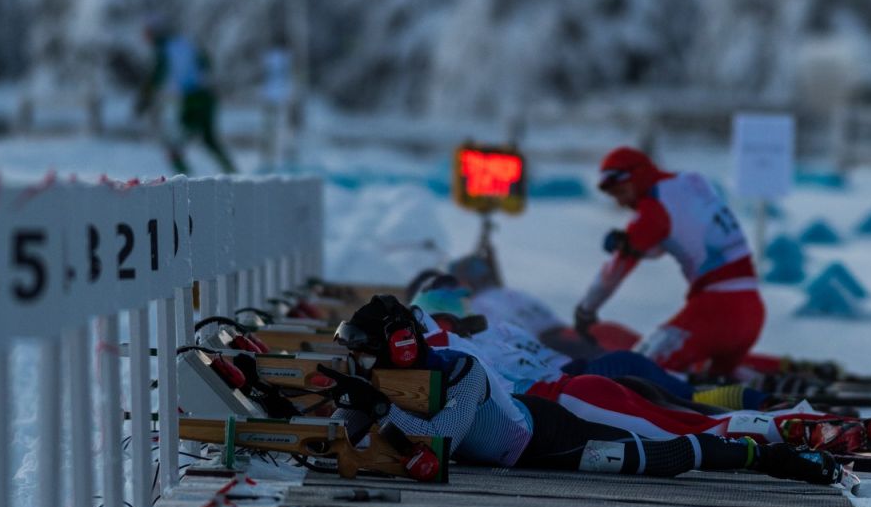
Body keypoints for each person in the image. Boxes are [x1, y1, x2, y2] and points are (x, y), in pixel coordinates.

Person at [333, 295, 840, 484]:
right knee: (681, 409)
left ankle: (767, 457)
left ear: (401, 346)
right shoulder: (420, 365)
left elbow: (434, 451)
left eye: (366, 350)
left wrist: (378, 410)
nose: (363, 361)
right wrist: (339, 418)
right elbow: (354, 432)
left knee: (663, 455)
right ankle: (768, 424)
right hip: (549, 409)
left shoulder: (462, 368)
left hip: (549, 437)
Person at [575, 147, 763, 376]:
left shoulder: (652, 210)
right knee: (715, 379)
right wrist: (635, 243)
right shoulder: (690, 181)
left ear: (637, 176)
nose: (622, 203)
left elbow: (614, 272)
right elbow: (682, 235)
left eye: (621, 192)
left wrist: (586, 310)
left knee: (634, 372)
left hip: (716, 311)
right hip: (752, 308)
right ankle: (757, 390)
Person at [136, 19, 236, 174]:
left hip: (192, 99)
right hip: (207, 96)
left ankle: (186, 181)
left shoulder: (165, 50)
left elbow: (157, 76)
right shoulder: (185, 43)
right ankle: (232, 173)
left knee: (175, 144)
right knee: (209, 140)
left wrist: (144, 99)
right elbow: (207, 62)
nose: (146, 40)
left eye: (148, 35)